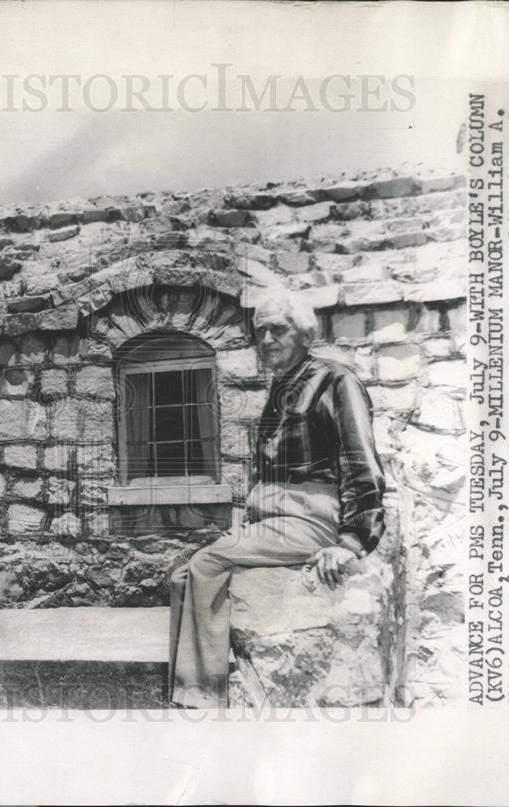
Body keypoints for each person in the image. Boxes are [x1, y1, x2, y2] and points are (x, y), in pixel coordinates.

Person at [168, 290, 386, 708]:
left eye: (277, 329)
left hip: (308, 519)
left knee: (205, 564)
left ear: (304, 333)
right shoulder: (283, 385)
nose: (266, 338)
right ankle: (185, 686)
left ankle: (200, 699)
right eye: (260, 330)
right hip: (273, 521)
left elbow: (364, 464)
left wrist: (351, 543)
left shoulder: (334, 381)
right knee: (181, 576)